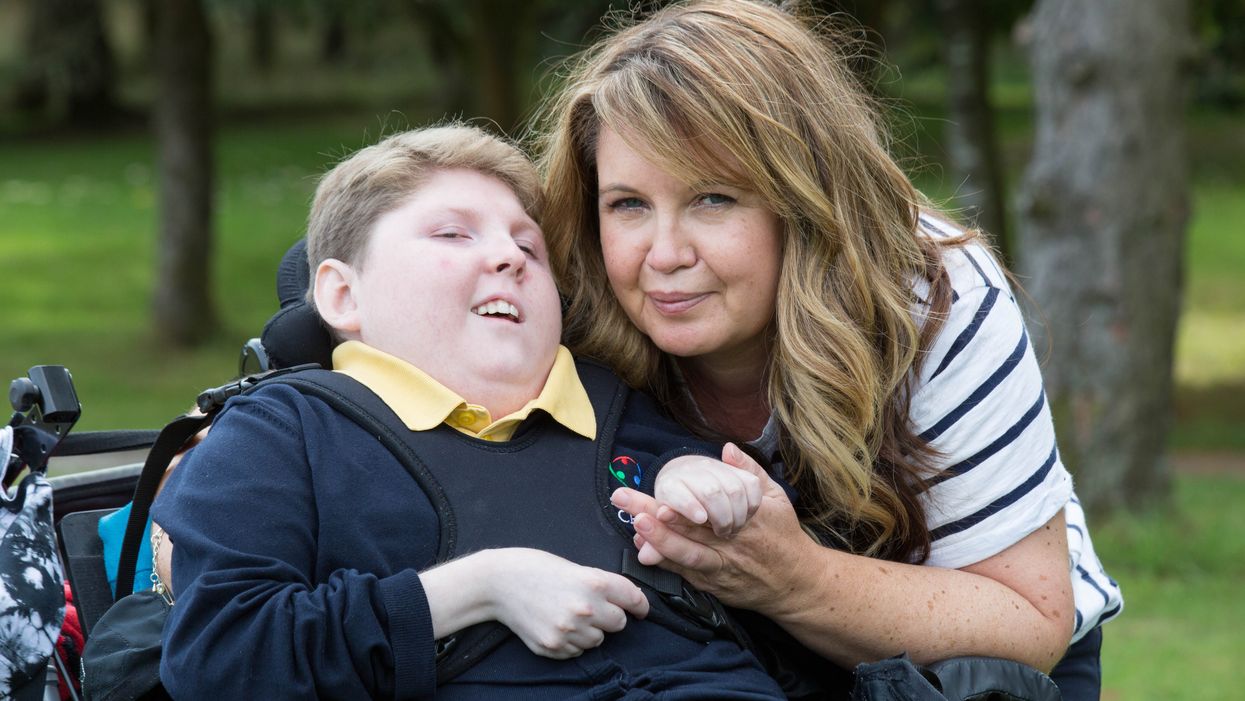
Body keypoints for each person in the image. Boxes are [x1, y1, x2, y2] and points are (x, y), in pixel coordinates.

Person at [534, 0, 1122, 697]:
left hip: (971, 659)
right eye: (628, 204)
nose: (663, 254)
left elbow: (1031, 620)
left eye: (713, 198)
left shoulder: (932, 298)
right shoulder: (558, 300)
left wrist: (793, 578)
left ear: (803, 199)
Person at [151, 124, 788, 699]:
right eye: (453, 234)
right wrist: (473, 591)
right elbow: (222, 659)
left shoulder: (621, 407)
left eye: (530, 248)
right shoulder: (280, 433)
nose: (509, 256)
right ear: (343, 294)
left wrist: (694, 474)